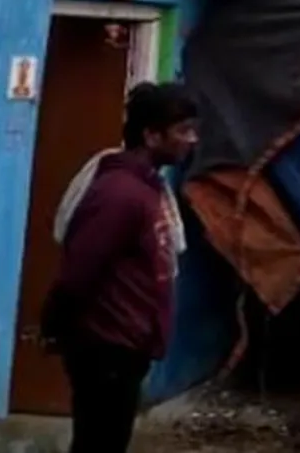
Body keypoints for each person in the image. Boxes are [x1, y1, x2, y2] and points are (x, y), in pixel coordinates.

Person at [41, 82, 199, 453]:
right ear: (151, 135)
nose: (191, 140)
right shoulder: (120, 194)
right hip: (106, 347)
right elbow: (79, 271)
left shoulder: (148, 188)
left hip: (126, 347)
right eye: (182, 131)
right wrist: (55, 324)